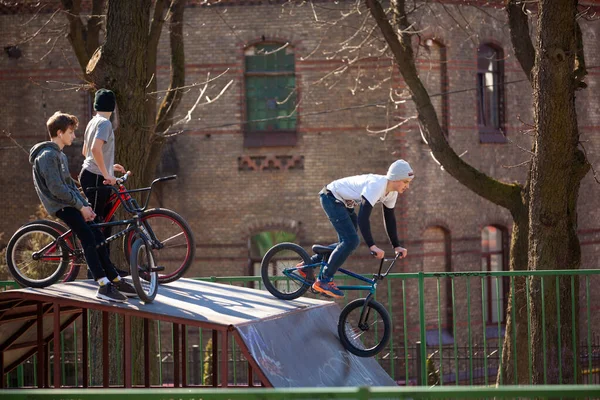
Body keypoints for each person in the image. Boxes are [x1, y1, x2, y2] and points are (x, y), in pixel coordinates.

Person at [29, 111, 137, 303]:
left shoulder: (59, 156)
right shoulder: (47, 156)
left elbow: (69, 184)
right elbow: (57, 189)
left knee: (97, 235)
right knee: (87, 236)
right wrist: (80, 206)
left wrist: (85, 204)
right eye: (71, 132)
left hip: (69, 202)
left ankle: (115, 278)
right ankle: (103, 284)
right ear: (60, 132)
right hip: (60, 205)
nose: (74, 136)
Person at [299, 160, 414, 298]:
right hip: (331, 197)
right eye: (405, 182)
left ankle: (308, 264)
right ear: (395, 178)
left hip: (344, 204)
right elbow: (363, 218)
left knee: (349, 243)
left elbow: (389, 219)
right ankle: (324, 280)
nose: (407, 186)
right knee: (351, 241)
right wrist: (372, 246)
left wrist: (396, 246)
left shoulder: (391, 193)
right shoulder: (377, 186)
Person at [79, 88, 126, 223]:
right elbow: (94, 149)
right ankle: (90, 245)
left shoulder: (92, 122)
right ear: (112, 106)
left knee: (106, 220)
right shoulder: (105, 123)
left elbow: (85, 152)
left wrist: (108, 165)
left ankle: (101, 245)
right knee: (97, 222)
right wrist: (106, 174)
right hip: (96, 177)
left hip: (90, 174)